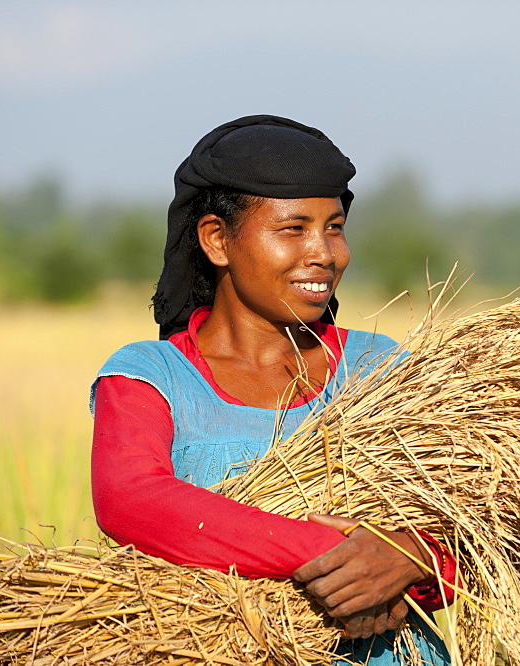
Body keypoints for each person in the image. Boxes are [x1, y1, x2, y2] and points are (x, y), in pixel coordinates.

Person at [90, 115, 456, 664]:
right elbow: (132, 500)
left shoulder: (382, 370)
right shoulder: (150, 376)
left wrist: (415, 560)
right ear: (217, 240)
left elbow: (476, 527)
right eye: (293, 229)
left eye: (334, 227)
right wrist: (343, 559)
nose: (325, 254)